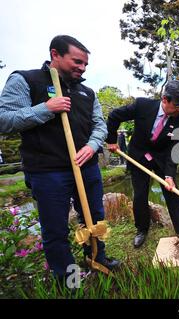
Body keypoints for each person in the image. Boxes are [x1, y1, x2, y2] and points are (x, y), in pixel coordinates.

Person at [0, 35, 120, 284]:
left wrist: (91, 145)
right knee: (56, 229)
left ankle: (97, 256)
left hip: (86, 167)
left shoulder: (86, 91)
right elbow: (4, 120)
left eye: (85, 64)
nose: (82, 68)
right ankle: (69, 280)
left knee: (95, 217)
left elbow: (99, 125)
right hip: (47, 172)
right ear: (55, 54)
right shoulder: (26, 80)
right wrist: (46, 109)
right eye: (77, 61)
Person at [106, 80, 179, 248]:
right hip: (139, 156)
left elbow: (175, 151)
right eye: (177, 105)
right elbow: (114, 116)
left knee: (172, 192)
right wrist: (111, 140)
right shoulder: (142, 106)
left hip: (162, 159)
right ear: (164, 99)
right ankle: (141, 230)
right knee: (140, 195)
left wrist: (169, 175)